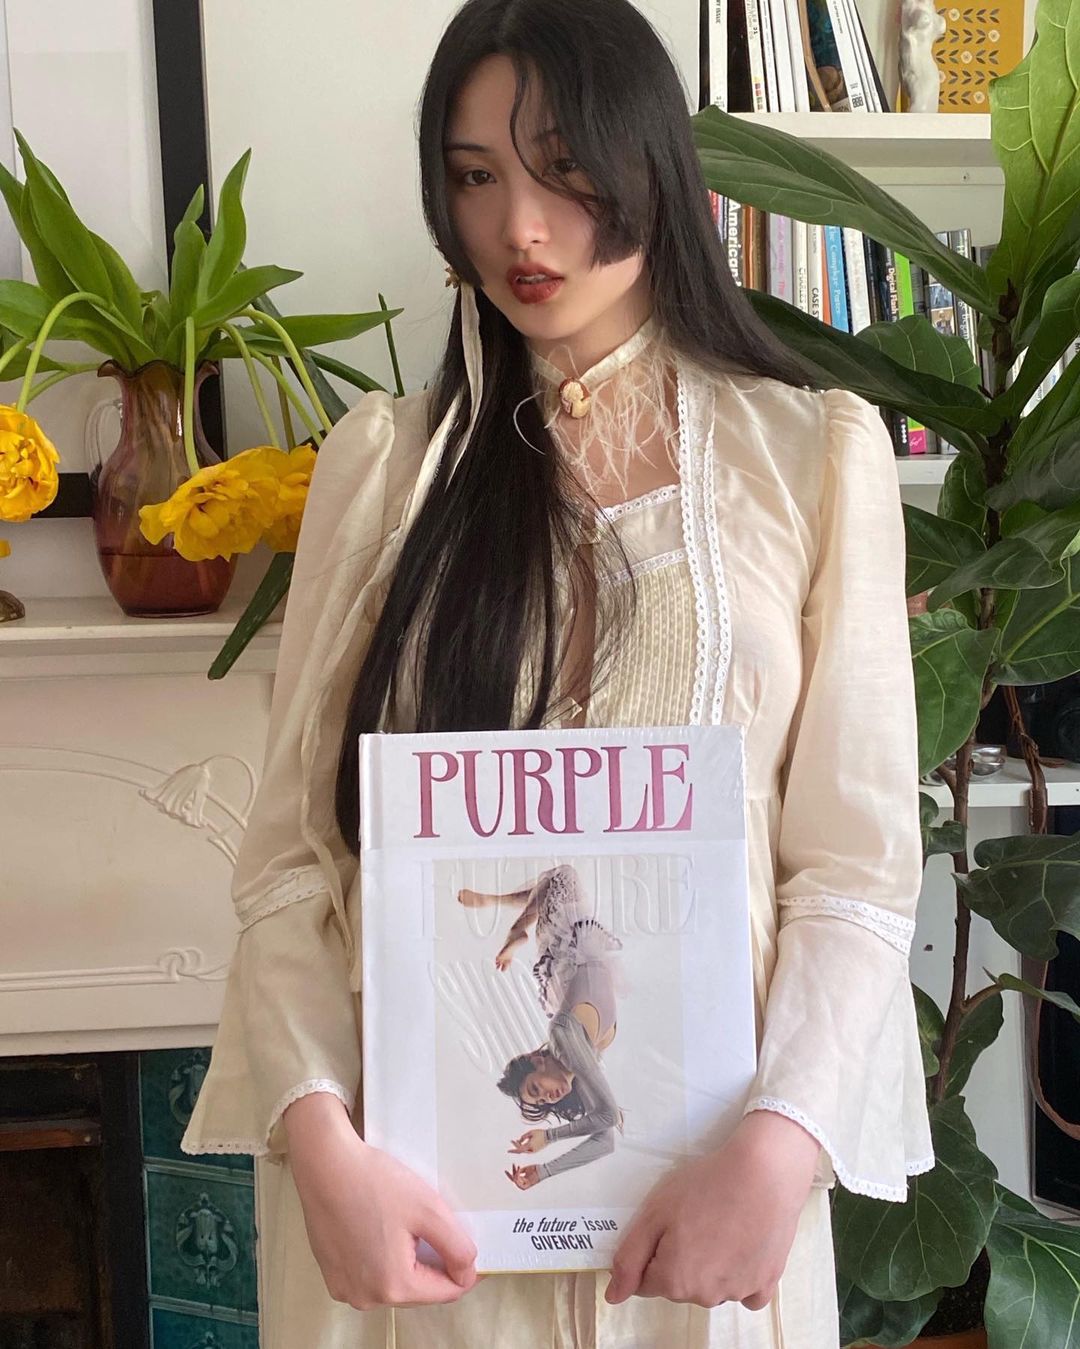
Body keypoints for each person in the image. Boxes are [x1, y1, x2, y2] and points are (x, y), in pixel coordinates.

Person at [180, 0, 935, 1343]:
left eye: (564, 168)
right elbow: (294, 858)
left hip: (707, 1209)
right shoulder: (386, 467)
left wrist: (781, 1146)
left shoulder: (810, 457)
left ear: (650, 164)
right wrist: (322, 1139)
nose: (520, 229)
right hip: (416, 1224)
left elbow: (854, 865)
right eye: (476, 177)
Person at [459, 862, 626, 1187]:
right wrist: (543, 1172)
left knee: (562, 876)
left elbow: (608, 1114)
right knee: (548, 885)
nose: (549, 1097)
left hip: (566, 940)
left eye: (536, 1089)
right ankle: (504, 911)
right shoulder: (585, 1065)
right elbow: (606, 1140)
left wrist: (549, 1137)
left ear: (537, 1060)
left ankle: (511, 923)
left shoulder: (562, 1035)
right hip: (565, 970)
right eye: (545, 1102)